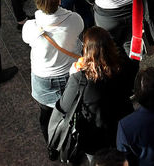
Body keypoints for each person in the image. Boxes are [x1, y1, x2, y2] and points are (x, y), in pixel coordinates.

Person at [56, 27, 135, 163]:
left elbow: (64, 106)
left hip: (94, 134)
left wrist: (71, 74)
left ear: (86, 50)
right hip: (122, 123)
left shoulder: (79, 78)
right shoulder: (124, 64)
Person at [21, 0, 84, 144]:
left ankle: (52, 144)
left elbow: (27, 38)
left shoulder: (29, 27)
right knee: (74, 111)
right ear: (59, 1)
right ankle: (73, 143)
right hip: (70, 75)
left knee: (46, 116)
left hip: (42, 81)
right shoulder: (74, 20)